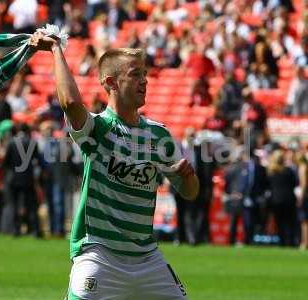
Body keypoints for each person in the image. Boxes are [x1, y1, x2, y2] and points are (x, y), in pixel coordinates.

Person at [29, 32, 199, 300]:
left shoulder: (159, 135)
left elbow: (190, 193)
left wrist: (187, 178)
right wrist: (55, 49)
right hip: (99, 254)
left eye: (145, 74)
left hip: (147, 258)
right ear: (111, 82)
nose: (144, 81)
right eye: (135, 74)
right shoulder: (98, 128)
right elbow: (71, 102)